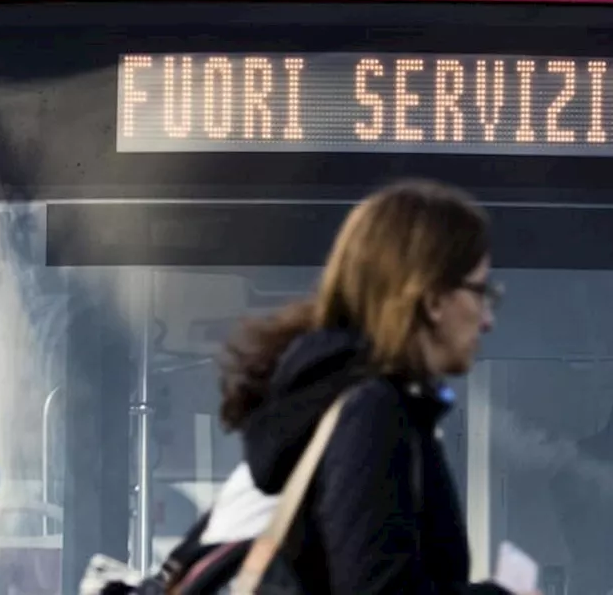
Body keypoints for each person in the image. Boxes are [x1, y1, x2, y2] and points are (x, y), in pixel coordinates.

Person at [218, 179, 539, 595]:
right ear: (432, 298)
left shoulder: (334, 403)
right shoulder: (374, 412)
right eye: (481, 291)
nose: (487, 319)